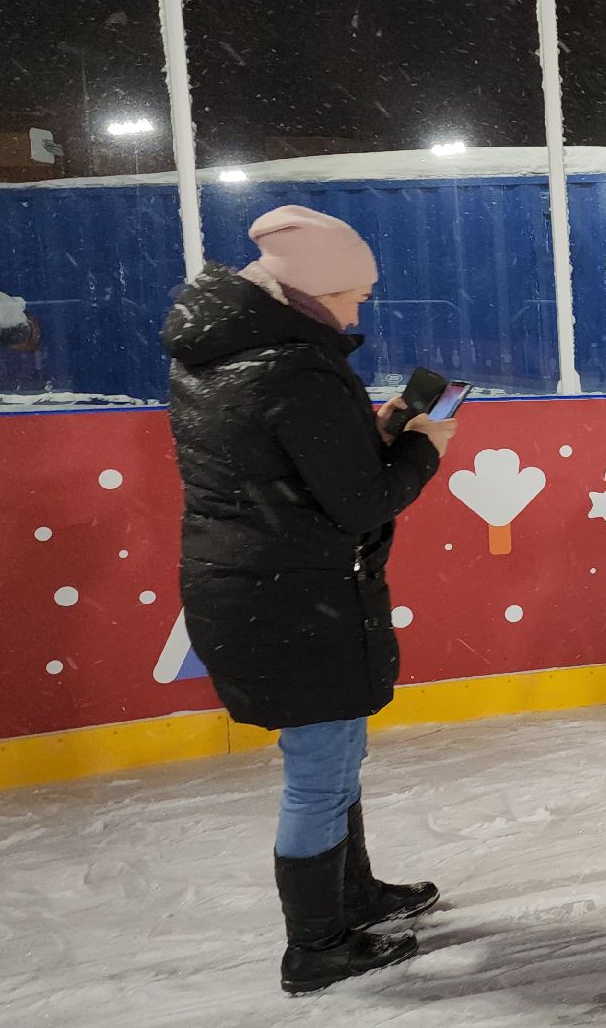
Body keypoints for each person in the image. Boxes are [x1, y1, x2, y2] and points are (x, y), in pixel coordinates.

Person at [160, 205, 457, 993]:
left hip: (259, 589)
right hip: (291, 599)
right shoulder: (293, 368)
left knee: (332, 759)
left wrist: (378, 430)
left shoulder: (227, 356)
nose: (361, 308)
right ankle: (317, 944)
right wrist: (424, 447)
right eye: (355, 294)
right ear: (315, 288)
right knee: (321, 773)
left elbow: (292, 470)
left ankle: (351, 896)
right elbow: (361, 502)